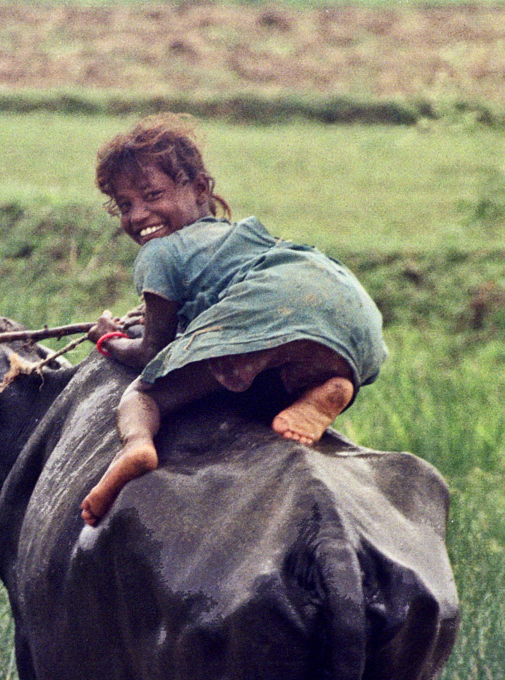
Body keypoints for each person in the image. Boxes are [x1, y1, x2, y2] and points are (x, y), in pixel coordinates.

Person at [80, 113, 387, 526]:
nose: (138, 215)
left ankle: (135, 447)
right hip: (347, 311)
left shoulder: (159, 252)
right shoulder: (237, 236)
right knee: (263, 365)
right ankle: (328, 384)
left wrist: (108, 340)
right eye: (125, 205)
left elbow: (153, 350)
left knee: (142, 395)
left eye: (152, 195)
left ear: (200, 188)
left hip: (271, 305)